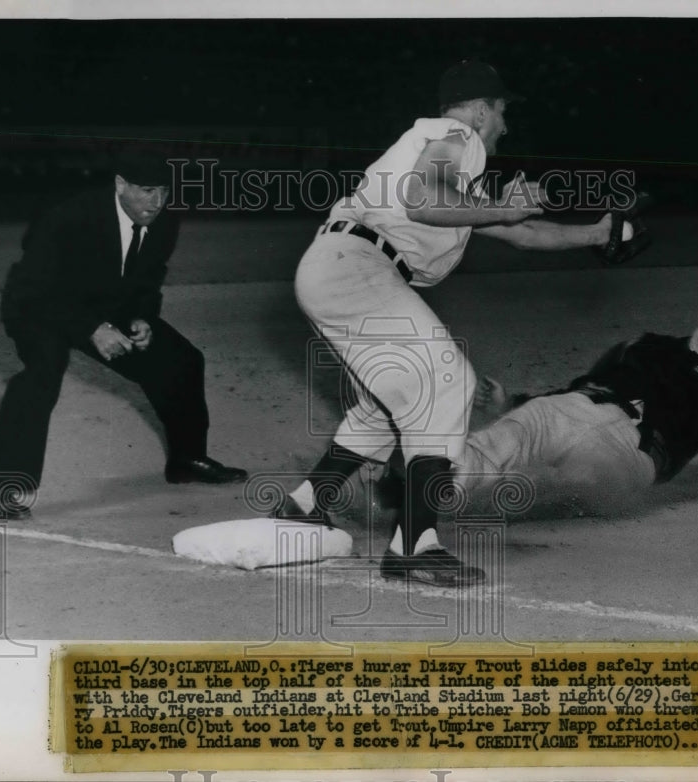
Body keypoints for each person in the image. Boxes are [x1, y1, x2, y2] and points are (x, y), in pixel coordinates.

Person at [276, 60, 647, 587]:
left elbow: (520, 233)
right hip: (357, 268)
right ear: (478, 108)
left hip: (341, 267)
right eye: (501, 111)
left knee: (389, 404)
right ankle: (415, 545)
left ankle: (305, 505)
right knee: (447, 380)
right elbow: (425, 203)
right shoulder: (456, 136)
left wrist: (598, 232)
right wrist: (501, 208)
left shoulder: (448, 171)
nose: (505, 125)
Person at [0, 147, 247, 521]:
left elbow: (147, 278)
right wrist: (91, 329)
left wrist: (143, 318)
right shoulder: (67, 216)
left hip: (102, 306)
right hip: (39, 307)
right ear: (120, 184)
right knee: (42, 373)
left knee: (182, 359)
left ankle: (187, 458)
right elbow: (34, 290)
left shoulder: (163, 219)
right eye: (147, 190)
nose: (157, 201)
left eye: (164, 190)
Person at [453, 304, 698, 503]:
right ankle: (433, 489)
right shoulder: (643, 344)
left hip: (632, 450)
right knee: (511, 434)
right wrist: (510, 403)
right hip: (578, 406)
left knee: (576, 489)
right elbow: (579, 385)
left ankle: (496, 501)